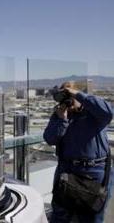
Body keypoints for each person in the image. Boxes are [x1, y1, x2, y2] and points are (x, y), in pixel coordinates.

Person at [43, 81, 113, 223]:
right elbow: (49, 139)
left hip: (94, 172)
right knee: (60, 216)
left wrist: (78, 95)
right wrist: (62, 120)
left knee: (91, 217)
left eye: (69, 95)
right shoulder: (60, 114)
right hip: (67, 171)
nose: (67, 101)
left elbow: (108, 113)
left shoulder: (93, 112)